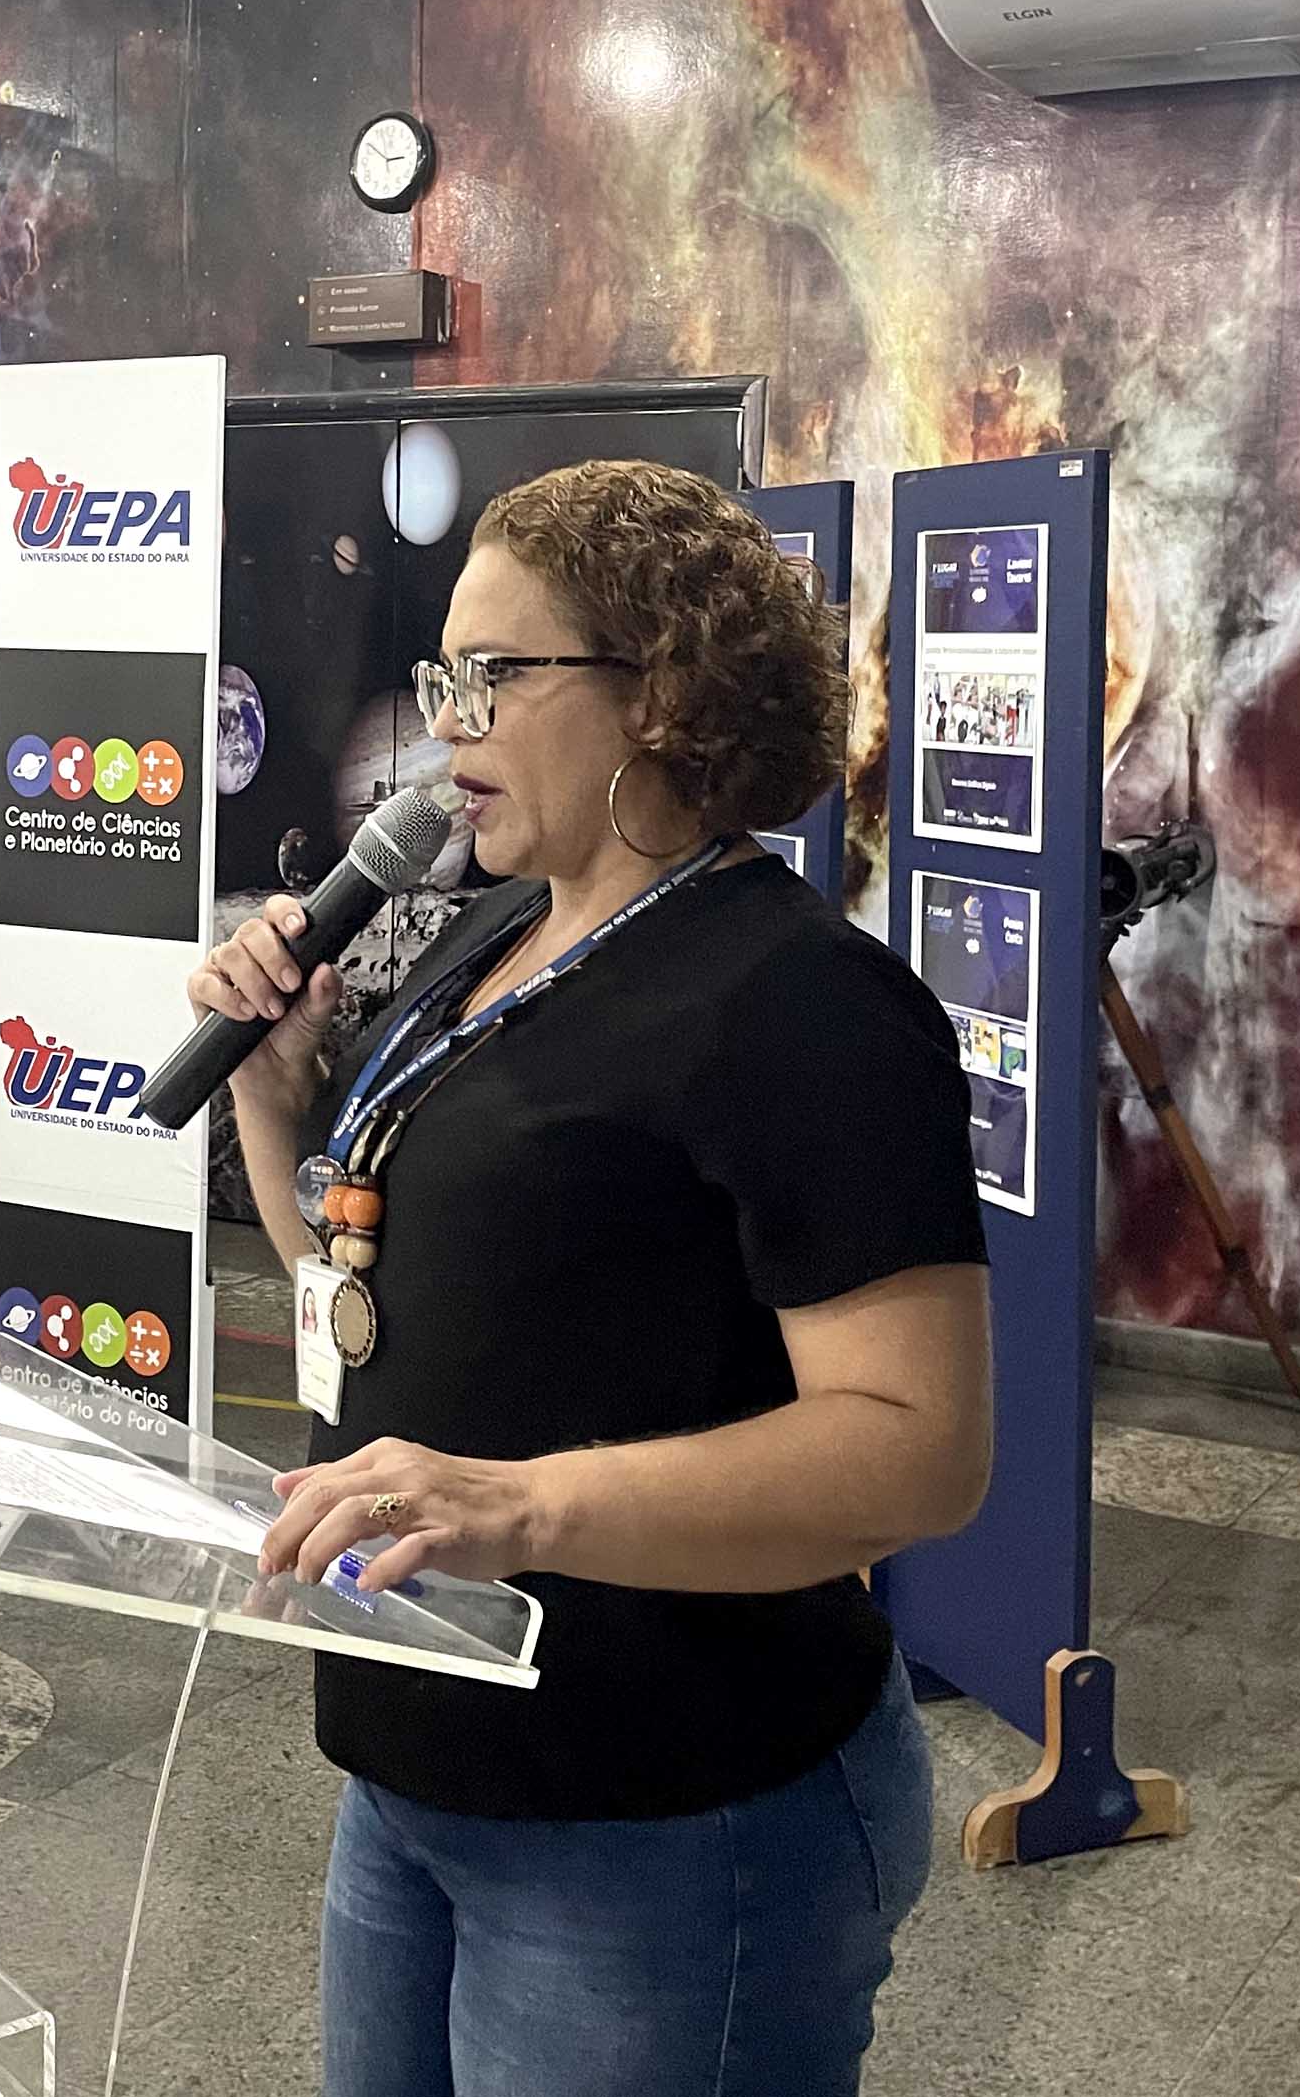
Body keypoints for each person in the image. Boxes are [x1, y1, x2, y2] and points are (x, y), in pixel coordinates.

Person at [191, 459, 993, 2097]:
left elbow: (922, 1448)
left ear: (663, 692)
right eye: (443, 676)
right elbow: (362, 1297)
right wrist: (272, 1096)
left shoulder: (806, 1004)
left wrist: (522, 1504)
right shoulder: (494, 940)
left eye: (495, 674)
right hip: (418, 1766)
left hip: (672, 1813)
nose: (447, 724)